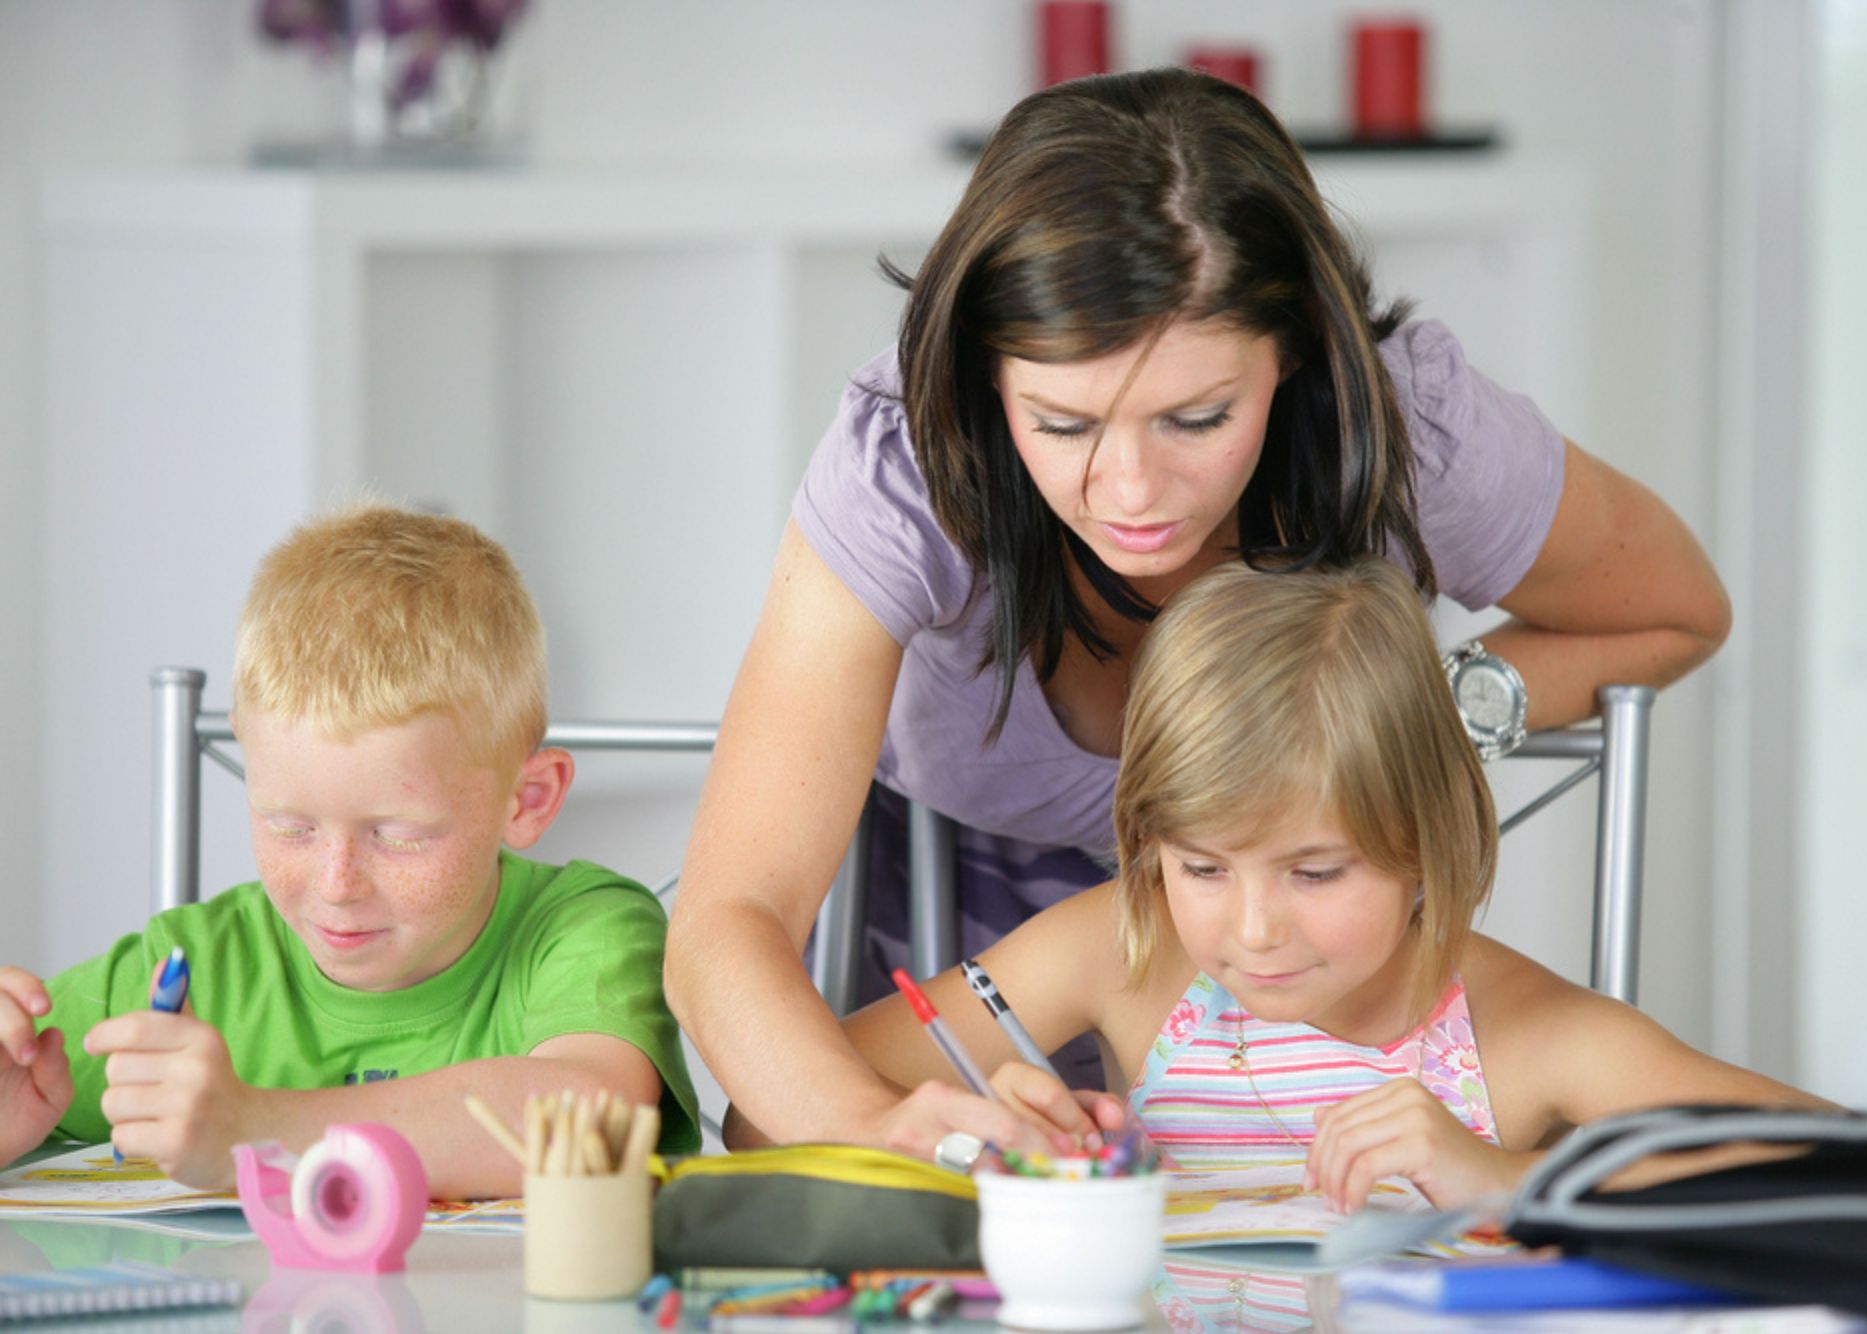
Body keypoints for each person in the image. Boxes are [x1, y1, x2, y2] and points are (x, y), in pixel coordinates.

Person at [669, 67, 1733, 1161]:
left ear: (1298, 357)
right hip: (963, 988)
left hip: (1323, 1047)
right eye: (1061, 422)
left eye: (1195, 416)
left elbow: (1672, 611)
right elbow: (727, 923)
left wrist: (1416, 721)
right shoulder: (904, 469)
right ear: (986, 382)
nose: (1128, 491)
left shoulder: (1410, 428)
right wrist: (872, 1127)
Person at [827, 560, 1829, 1207]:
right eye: (1201, 865)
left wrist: (1505, 1180)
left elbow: (1857, 1166)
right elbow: (773, 1111)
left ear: (1422, 842)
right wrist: (982, 1140)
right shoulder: (1124, 948)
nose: (1253, 928)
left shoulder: (1516, 1033)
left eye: (1313, 870)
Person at [0, 503, 701, 1196]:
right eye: (289, 826)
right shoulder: (203, 964)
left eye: (399, 836)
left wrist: (254, 1127)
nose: (337, 884)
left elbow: (587, 1119)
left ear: (529, 800)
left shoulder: (586, 929)